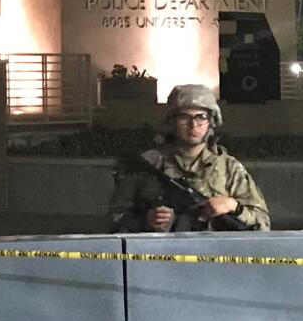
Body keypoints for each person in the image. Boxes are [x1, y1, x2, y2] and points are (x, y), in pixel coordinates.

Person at [109, 83, 270, 232]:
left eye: (201, 117)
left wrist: (234, 207)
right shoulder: (148, 165)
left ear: (211, 122)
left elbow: (263, 225)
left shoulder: (228, 168)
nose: (193, 125)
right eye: (184, 117)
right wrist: (145, 221)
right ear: (172, 121)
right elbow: (114, 222)